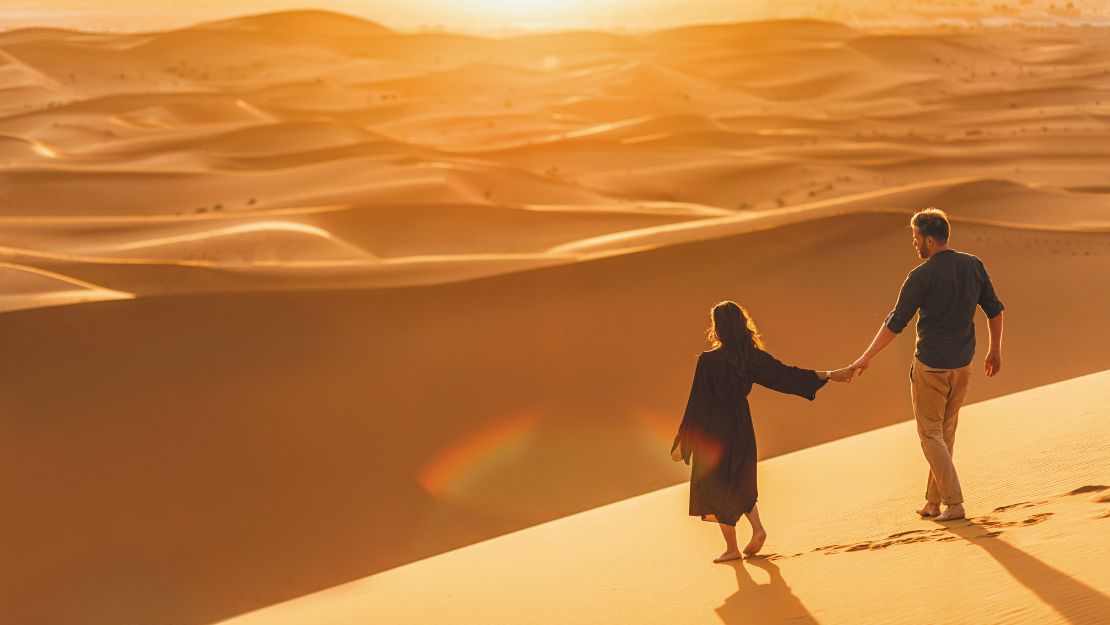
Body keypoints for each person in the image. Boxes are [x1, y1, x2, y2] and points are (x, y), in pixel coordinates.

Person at [849, 207, 1005, 522]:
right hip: (963, 366)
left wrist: (866, 357)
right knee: (944, 434)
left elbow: (896, 322)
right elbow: (996, 311)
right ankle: (933, 503)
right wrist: (995, 351)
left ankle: (954, 502)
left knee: (931, 435)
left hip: (932, 367)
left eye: (916, 236)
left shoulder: (922, 276)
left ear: (930, 240)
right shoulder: (973, 265)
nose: (914, 242)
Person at [671, 301, 855, 563]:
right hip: (742, 425)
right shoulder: (751, 357)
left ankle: (731, 548)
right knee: (740, 480)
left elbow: (697, 403)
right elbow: (785, 376)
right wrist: (828, 374)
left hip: (715, 429)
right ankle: (757, 528)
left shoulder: (708, 361)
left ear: (717, 328)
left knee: (715, 486)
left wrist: (684, 442)